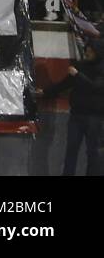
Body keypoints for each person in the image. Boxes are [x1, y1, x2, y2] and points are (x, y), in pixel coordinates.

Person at [41, 38, 104, 175]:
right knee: (71, 151)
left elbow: (96, 87)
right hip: (77, 115)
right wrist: (45, 92)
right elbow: (65, 83)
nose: (87, 55)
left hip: (94, 117)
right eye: (86, 52)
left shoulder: (100, 69)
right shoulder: (81, 66)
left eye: (90, 52)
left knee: (93, 152)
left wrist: (78, 75)